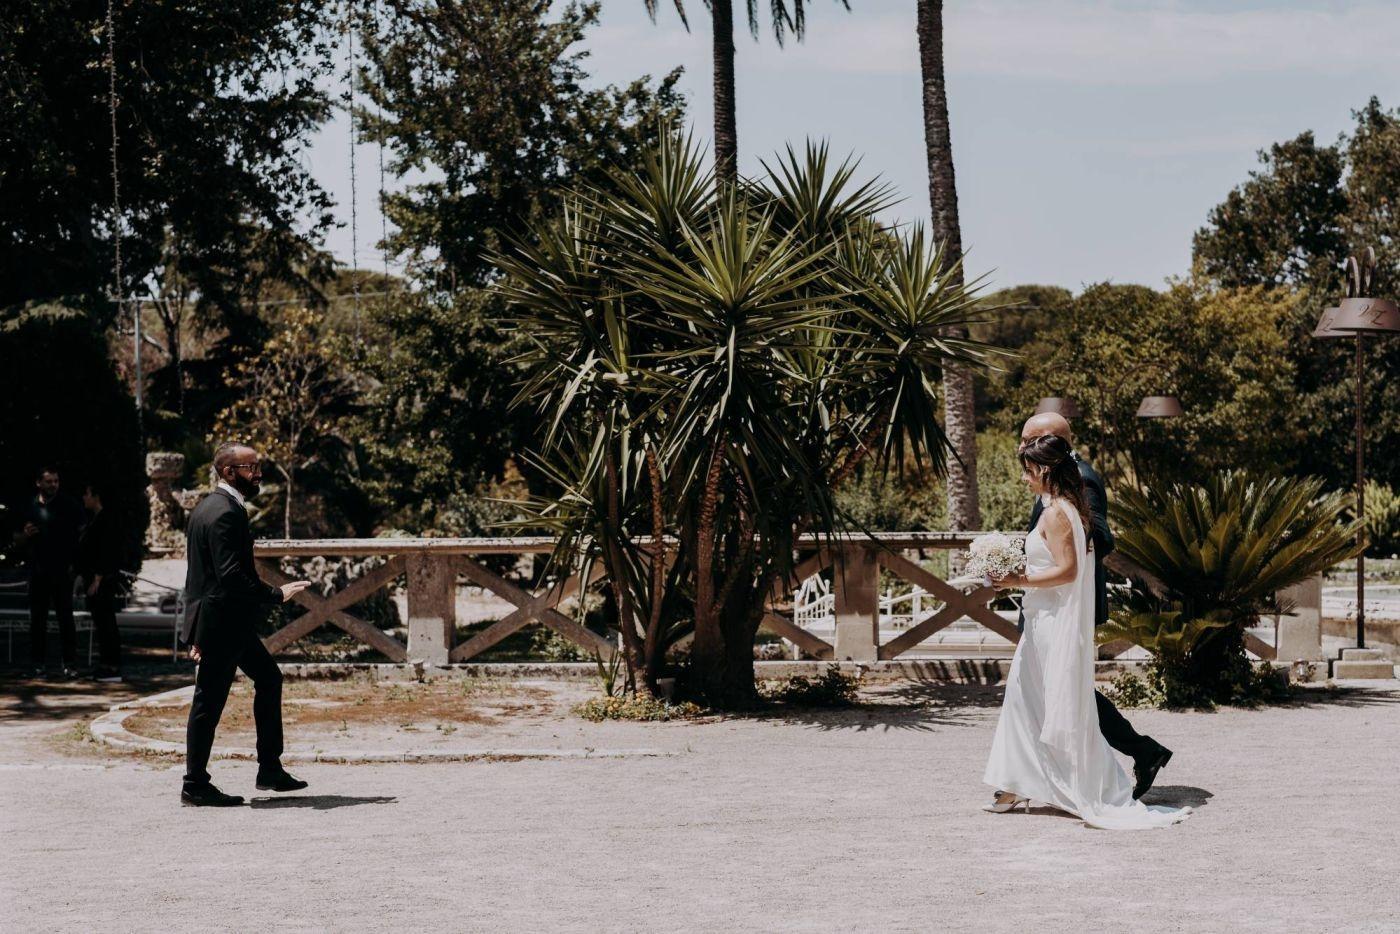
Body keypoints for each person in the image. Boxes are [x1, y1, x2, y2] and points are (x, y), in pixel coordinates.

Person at [982, 434, 1189, 829]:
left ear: (1045, 470)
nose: (1025, 479)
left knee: (1039, 702)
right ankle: (1016, 783)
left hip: (1049, 623)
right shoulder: (1062, 508)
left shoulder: (1058, 513)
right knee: (1027, 701)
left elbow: (1068, 571)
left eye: (1029, 472)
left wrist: (1017, 580)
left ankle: (1064, 785)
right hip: (1042, 618)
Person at [1017, 412, 1174, 798]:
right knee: (1049, 689)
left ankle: (1138, 752)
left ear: (1050, 441)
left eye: (1027, 440)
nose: (1020, 447)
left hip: (1063, 606)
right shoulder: (1053, 477)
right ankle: (1032, 775)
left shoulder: (1082, 477)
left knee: (1066, 691)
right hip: (1045, 602)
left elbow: (1101, 536)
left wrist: (1060, 560)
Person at [180, 442, 312, 807]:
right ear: (228, 472)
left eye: (257, 467)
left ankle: (270, 769)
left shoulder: (210, 506)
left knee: (269, 679)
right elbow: (229, 575)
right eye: (250, 468)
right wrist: (275, 594)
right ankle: (194, 784)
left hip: (226, 621)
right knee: (208, 702)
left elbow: (204, 575)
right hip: (221, 623)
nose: (257, 474)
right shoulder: (225, 512)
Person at [15, 467, 84, 678]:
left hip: (62, 571)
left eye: (56, 481)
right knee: (38, 620)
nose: (53, 485)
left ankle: (70, 664)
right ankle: (38, 664)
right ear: (39, 483)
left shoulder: (69, 505)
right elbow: (17, 539)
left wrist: (75, 566)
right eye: (49, 481)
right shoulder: (30, 506)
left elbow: (81, 535)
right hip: (37, 570)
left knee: (65, 618)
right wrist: (24, 535)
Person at [77, 482, 125, 683]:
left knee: (106, 622)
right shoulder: (95, 518)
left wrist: (98, 578)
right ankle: (106, 663)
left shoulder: (105, 519)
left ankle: (112, 666)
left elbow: (106, 551)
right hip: (95, 577)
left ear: (96, 496)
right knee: (101, 622)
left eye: (87, 493)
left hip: (102, 580)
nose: (84, 497)